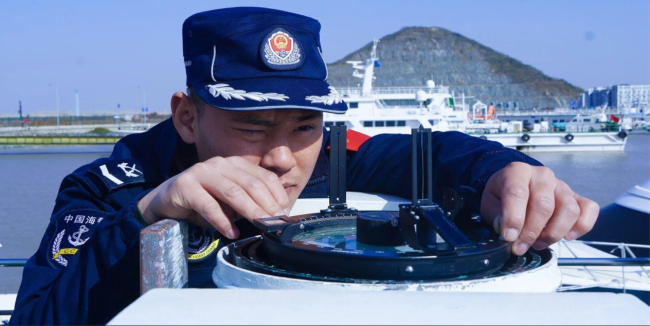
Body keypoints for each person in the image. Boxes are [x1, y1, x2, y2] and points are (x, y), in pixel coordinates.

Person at [11, 7, 599, 325]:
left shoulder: (328, 161)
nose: (282, 157)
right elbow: (37, 317)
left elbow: (437, 151)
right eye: (251, 125)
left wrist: (505, 174)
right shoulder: (112, 187)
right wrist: (148, 215)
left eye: (303, 125)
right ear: (187, 118)